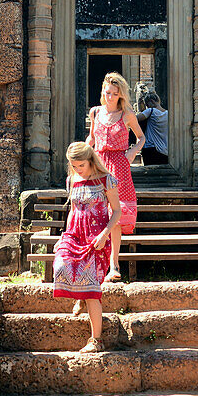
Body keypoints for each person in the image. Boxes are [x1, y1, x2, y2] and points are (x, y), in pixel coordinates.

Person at [52, 142, 122, 352]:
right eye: (73, 165)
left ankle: (96, 341)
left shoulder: (106, 179)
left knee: (92, 291)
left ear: (91, 160)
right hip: (74, 234)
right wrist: (63, 236)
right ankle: (79, 296)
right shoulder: (72, 179)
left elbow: (117, 211)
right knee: (61, 265)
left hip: (96, 238)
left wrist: (104, 235)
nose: (76, 169)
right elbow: (73, 210)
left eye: (80, 165)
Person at [86, 72, 144, 282]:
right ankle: (93, 261)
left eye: (114, 93)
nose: (110, 96)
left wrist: (133, 151)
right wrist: (81, 157)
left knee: (115, 216)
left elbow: (141, 137)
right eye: (107, 92)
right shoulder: (95, 113)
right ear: (102, 92)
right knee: (94, 212)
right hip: (98, 165)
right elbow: (91, 140)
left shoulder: (127, 114)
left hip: (119, 167)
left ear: (120, 95)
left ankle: (114, 265)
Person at [137, 92, 169, 165]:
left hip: (150, 148)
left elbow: (135, 119)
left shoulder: (151, 111)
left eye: (148, 105)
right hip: (165, 150)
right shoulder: (168, 114)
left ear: (152, 101)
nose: (148, 107)